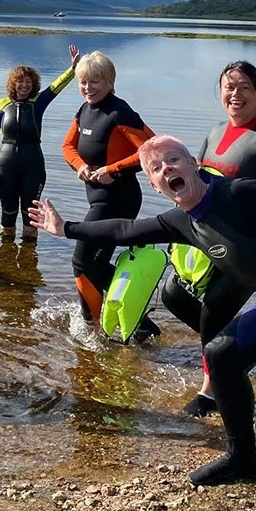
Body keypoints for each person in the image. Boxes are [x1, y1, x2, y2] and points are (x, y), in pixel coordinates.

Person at [29, 135, 256, 511]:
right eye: (156, 168)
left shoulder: (241, 194)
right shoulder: (182, 221)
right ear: (154, 185)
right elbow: (125, 231)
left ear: (193, 163)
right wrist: (65, 228)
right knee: (221, 355)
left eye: (173, 159)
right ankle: (242, 459)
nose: (166, 168)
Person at [166, 61, 256, 417]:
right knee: (173, 296)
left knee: (213, 310)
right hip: (208, 242)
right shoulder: (214, 133)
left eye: (244, 87)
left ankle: (212, 389)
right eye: (229, 87)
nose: (235, 94)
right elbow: (195, 184)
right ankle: (234, 351)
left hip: (247, 247)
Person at [60, 52, 156, 329]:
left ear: (110, 81)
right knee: (95, 265)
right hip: (98, 199)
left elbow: (150, 150)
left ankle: (92, 327)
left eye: (95, 82)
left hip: (119, 199)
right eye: (83, 82)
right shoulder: (84, 111)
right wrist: (80, 166)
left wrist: (112, 170)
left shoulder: (120, 112)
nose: (88, 88)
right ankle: (138, 322)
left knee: (82, 261)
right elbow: (68, 147)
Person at [0, 45, 81, 241]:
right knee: (8, 213)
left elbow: (56, 86)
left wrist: (73, 69)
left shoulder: (38, 103)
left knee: (30, 215)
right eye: (20, 81)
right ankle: (5, 261)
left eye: (28, 81)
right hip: (6, 165)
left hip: (33, 165)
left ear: (34, 84)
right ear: (13, 84)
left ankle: (29, 256)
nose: (24, 85)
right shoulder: (2, 104)